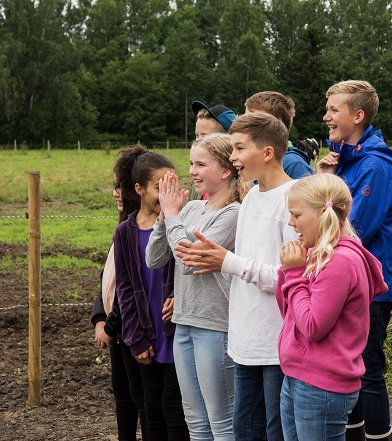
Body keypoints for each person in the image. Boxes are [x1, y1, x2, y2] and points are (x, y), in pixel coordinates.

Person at [175, 112, 298, 441]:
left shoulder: (294, 199)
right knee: (245, 431)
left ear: (267, 153)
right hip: (244, 342)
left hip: (275, 343)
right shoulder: (253, 197)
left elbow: (290, 278)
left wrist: (227, 262)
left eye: (240, 148)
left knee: (276, 430)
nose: (233, 157)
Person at [145, 133, 248, 440]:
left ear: (226, 170)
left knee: (222, 421)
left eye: (201, 164)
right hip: (184, 324)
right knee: (196, 422)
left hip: (215, 326)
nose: (192, 172)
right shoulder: (191, 209)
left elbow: (190, 263)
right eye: (191, 163)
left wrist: (173, 216)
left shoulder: (233, 213)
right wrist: (164, 220)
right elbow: (154, 258)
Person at [316, 80, 392, 441]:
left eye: (333, 110)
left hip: (372, 286)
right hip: (347, 281)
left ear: (358, 115)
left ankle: (380, 436)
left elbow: (354, 229)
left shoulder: (374, 168)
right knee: (348, 368)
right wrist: (324, 180)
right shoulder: (344, 162)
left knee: (366, 370)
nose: (326, 117)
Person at [275, 173, 388, 441]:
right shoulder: (316, 254)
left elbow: (312, 326)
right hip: (297, 374)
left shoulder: (340, 262)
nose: (291, 223)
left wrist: (293, 274)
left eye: (296, 215)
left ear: (321, 213)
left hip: (321, 384)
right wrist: (287, 272)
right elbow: (289, 315)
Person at [113, 149, 189, 441]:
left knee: (173, 408)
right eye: (160, 187)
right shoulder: (124, 233)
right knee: (150, 409)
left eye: (173, 185)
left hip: (174, 332)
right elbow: (126, 289)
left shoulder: (178, 226)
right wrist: (136, 338)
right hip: (147, 335)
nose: (167, 194)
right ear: (139, 189)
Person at [91, 147, 146, 441]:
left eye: (120, 184)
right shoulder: (123, 223)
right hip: (117, 329)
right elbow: (107, 277)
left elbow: (129, 283)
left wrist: (111, 325)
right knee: (124, 398)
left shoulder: (137, 227)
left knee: (140, 398)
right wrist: (99, 318)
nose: (115, 191)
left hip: (132, 328)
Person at [244, 91, 313, 179]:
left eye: (253, 121)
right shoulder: (257, 160)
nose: (244, 125)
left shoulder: (294, 165)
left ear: (277, 126)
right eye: (244, 119)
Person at [190, 100, 238, 201]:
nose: (198, 141)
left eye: (205, 137)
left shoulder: (238, 190)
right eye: (197, 135)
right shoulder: (199, 181)